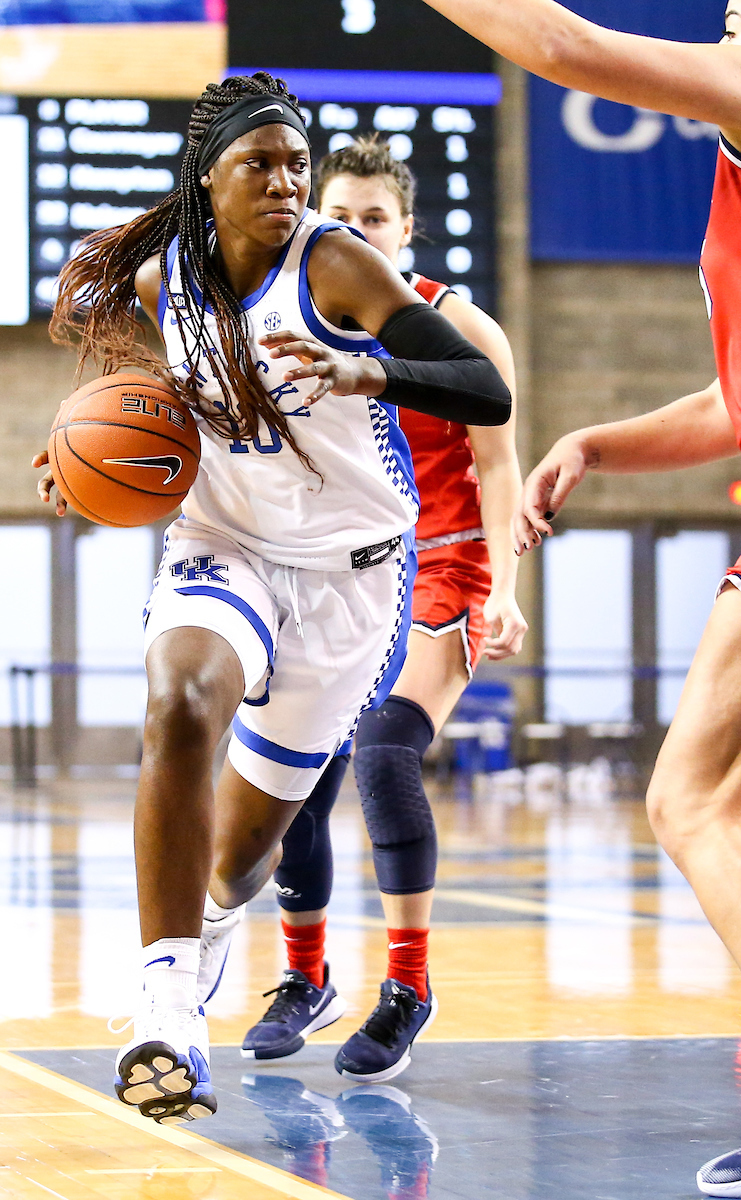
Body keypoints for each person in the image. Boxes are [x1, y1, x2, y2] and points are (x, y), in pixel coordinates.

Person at [34, 72, 511, 1124]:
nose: (287, 181)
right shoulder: (165, 279)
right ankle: (167, 1009)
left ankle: (210, 927)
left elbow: (488, 390)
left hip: (352, 578)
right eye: (261, 163)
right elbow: (146, 393)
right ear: (209, 179)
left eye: (297, 162)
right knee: (178, 703)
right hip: (226, 545)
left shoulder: (335, 265)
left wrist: (368, 374)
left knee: (242, 858)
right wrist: (82, 453)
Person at [421, 0, 741, 1194]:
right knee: (719, 799)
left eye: (733, 23)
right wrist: (591, 441)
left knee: (695, 800)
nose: (718, 45)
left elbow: (566, 48)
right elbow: (739, 400)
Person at [226, 137, 526, 1083]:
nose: (355, 232)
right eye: (341, 217)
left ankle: (408, 985)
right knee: (302, 774)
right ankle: (305, 977)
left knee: (386, 752)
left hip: (445, 560)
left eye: (375, 219)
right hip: (342, 568)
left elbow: (499, 465)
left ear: (406, 231)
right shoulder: (285, 317)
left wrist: (508, 588)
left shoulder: (459, 325)